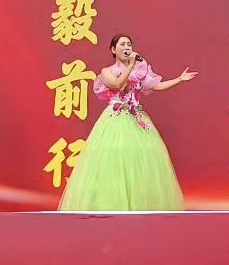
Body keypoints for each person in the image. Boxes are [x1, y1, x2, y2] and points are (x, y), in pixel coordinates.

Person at [58, 34, 196, 210]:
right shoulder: (107, 72)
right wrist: (130, 66)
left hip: (136, 117)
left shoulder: (140, 71)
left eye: (129, 44)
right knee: (113, 157)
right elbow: (117, 84)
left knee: (141, 157)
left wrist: (179, 79)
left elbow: (156, 86)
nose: (126, 47)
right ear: (113, 49)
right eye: (122, 44)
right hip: (115, 118)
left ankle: (139, 204)